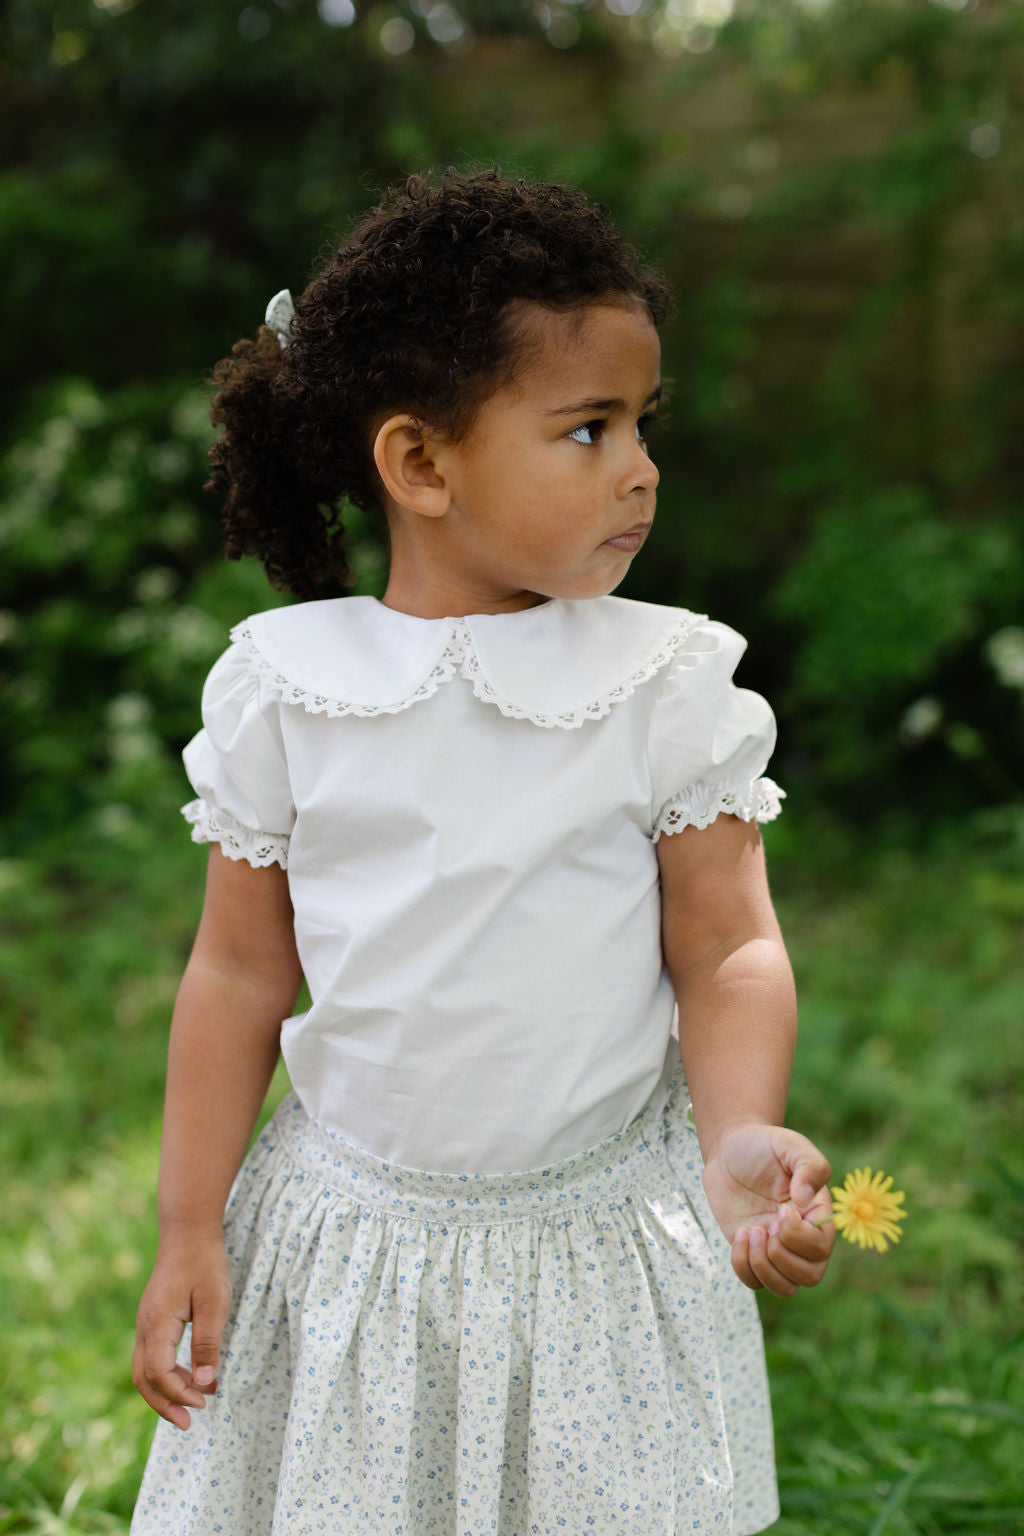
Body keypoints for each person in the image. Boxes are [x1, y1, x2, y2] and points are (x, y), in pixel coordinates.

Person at [130, 170, 835, 1536]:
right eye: (586, 429)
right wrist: (188, 1225)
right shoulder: (291, 684)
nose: (637, 467)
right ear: (424, 464)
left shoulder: (663, 681)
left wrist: (739, 1126)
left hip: (593, 1238)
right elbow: (233, 975)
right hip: (350, 1239)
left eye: (642, 424)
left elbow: (728, 941)